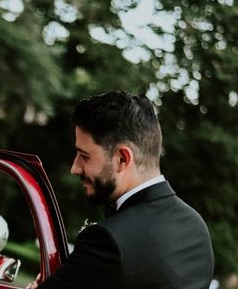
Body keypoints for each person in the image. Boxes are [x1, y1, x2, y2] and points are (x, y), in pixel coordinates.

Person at [27, 91, 214, 289]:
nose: (75, 168)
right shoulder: (196, 228)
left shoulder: (108, 242)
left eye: (84, 156)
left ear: (123, 158)